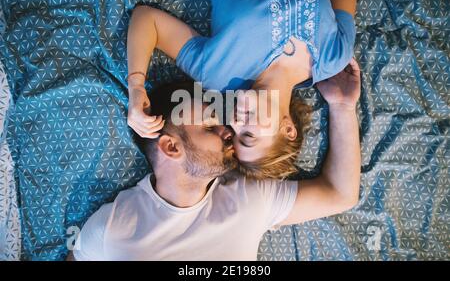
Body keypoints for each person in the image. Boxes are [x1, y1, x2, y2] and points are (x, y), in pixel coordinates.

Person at [67, 60, 361, 260]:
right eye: (210, 127)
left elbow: (340, 194)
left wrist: (343, 106)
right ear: (171, 147)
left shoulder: (249, 195)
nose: (228, 131)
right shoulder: (114, 225)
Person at [126, 0, 358, 179]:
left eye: (233, 132)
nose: (235, 122)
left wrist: (136, 86)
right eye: (248, 136)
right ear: (288, 129)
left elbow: (148, 20)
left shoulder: (218, 74)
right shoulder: (334, 56)